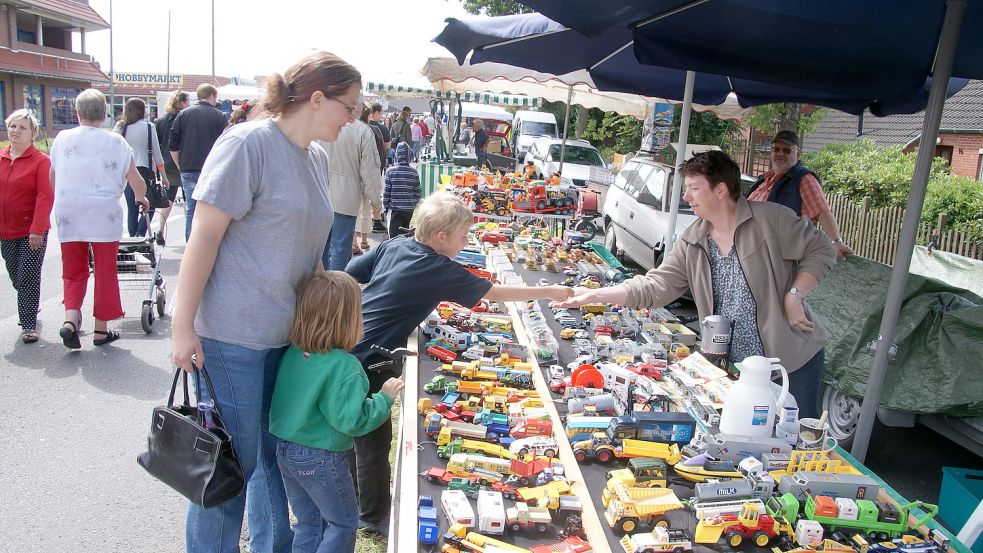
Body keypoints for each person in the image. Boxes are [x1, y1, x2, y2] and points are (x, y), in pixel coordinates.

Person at [170, 51, 361, 553]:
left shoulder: (316, 158)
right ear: (316, 98)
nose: (353, 119)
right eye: (350, 107)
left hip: (288, 338)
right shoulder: (248, 144)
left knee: (273, 463)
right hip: (234, 337)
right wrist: (181, 326)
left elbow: (310, 254)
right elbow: (203, 238)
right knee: (228, 472)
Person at [344, 192, 574, 533]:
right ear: (442, 237)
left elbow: (351, 270)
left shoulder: (396, 244)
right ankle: (372, 515)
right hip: (369, 359)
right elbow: (493, 293)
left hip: (351, 341)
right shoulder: (438, 268)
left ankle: (357, 499)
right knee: (373, 438)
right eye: (464, 236)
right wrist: (548, 293)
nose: (468, 241)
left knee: (352, 429)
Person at [552, 151, 837, 419]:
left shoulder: (771, 219)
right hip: (737, 369)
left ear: (721, 190)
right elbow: (656, 286)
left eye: (693, 188)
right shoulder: (693, 238)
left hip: (789, 363)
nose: (686, 195)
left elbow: (823, 249)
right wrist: (594, 294)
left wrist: (795, 295)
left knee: (797, 439)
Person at [269, 270, 404, 553]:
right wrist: (384, 398)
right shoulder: (345, 366)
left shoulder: (294, 351)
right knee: (343, 523)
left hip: (286, 452)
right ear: (350, 319)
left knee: (308, 522)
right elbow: (352, 421)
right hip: (321, 458)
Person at [49, 89, 149, 349]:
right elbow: (136, 181)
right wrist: (142, 198)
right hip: (103, 215)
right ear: (104, 114)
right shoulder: (117, 142)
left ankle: (71, 320)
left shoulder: (62, 139)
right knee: (105, 271)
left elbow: (53, 177)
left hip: (69, 211)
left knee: (73, 270)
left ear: (78, 113)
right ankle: (101, 330)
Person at [747, 130, 854, 259]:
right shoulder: (765, 179)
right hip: (754, 252)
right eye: (776, 149)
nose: (780, 153)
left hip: (779, 258)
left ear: (797, 154)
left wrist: (836, 241)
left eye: (787, 150)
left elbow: (822, 211)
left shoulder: (804, 179)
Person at [0, 109, 52, 343]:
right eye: (13, 126)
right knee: (16, 276)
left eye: (22, 128)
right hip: (6, 229)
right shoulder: (1, 158)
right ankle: (29, 305)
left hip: (32, 231)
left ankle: (28, 324)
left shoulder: (41, 161)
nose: (16, 131)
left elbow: (45, 196)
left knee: (28, 276)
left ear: (33, 133)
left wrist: (37, 229)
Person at [319, 109, 382, 271]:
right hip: (346, 197)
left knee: (319, 247)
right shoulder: (362, 131)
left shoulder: (322, 123)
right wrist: (376, 200)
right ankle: (337, 291)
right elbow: (370, 171)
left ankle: (319, 288)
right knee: (341, 247)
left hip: (319, 192)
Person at [168, 83, 227, 241]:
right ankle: (208, 244)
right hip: (211, 169)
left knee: (191, 210)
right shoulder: (219, 116)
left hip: (188, 167)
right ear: (212, 96)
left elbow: (172, 143)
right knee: (212, 209)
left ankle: (190, 243)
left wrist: (179, 164)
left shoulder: (183, 114)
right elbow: (226, 145)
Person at [116, 98, 170, 238]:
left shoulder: (121, 127)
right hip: (145, 171)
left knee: (132, 209)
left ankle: (133, 240)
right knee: (150, 205)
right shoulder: (148, 127)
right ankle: (140, 234)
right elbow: (157, 154)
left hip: (126, 172)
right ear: (142, 110)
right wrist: (164, 176)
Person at [154, 90, 190, 246]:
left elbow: (158, 142)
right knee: (187, 199)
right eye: (187, 102)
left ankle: (160, 230)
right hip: (182, 161)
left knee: (168, 198)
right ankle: (188, 234)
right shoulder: (184, 119)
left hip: (165, 162)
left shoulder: (162, 120)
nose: (189, 105)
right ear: (181, 103)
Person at [354, 104, 386, 253]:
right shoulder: (370, 131)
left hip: (347, 182)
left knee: (353, 213)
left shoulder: (342, 131)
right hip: (364, 177)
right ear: (369, 115)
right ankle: (364, 240)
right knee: (365, 210)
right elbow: (373, 160)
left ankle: (354, 241)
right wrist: (376, 199)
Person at [383, 142, 421, 238]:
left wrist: (386, 206)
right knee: (405, 232)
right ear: (410, 156)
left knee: (394, 234)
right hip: (409, 209)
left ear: (396, 155)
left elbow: (387, 192)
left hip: (395, 208)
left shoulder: (390, 171)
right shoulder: (414, 172)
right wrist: (412, 203)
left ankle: (395, 251)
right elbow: (418, 192)